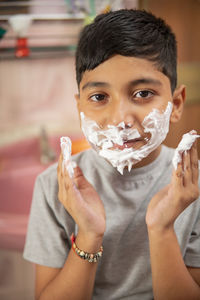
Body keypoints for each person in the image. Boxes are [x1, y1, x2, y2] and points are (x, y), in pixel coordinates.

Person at [23, 9, 200, 300]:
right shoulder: (54, 187)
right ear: (80, 108)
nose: (120, 118)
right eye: (99, 97)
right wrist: (89, 235)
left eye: (143, 93)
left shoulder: (195, 189)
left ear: (177, 103)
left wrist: (163, 228)